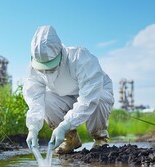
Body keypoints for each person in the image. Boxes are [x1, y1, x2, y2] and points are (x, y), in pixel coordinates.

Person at [23, 25, 114, 154]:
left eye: (50, 67)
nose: (46, 72)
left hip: (95, 92)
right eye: (42, 68)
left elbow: (88, 99)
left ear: (60, 53)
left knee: (98, 98)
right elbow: (35, 100)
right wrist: (32, 128)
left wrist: (65, 124)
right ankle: (70, 138)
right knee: (45, 99)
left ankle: (100, 138)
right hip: (64, 95)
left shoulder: (80, 59)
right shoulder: (33, 70)